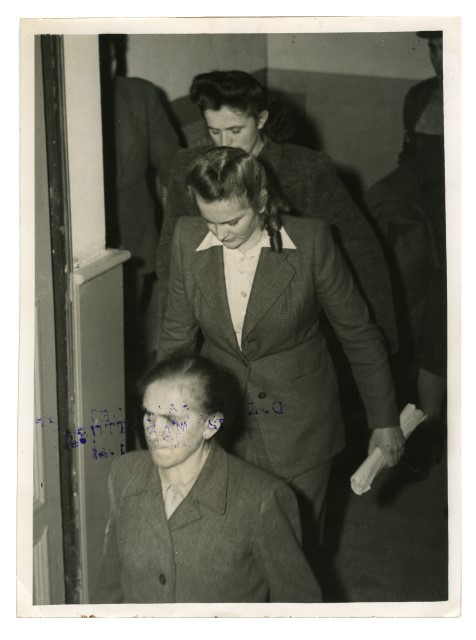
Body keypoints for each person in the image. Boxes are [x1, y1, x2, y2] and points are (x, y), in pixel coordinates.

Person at [157, 146, 405, 569]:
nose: (220, 234)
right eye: (209, 220)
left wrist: (384, 420)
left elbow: (359, 335)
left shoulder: (310, 242)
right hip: (223, 426)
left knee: (295, 558)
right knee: (228, 556)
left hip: (301, 427)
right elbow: (176, 339)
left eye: (232, 221)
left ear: (261, 201)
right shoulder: (186, 237)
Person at [155, 70, 398, 354]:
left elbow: (361, 253)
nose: (224, 143)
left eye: (235, 131)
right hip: (219, 328)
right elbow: (170, 258)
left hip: (293, 328)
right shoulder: (189, 167)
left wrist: (381, 341)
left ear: (261, 120)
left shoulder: (307, 170)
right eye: (214, 131)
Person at [92, 354, 322, 604]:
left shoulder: (261, 499)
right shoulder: (125, 473)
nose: (155, 432)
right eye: (149, 415)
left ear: (211, 425)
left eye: (173, 420)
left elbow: (299, 603)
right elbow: (109, 581)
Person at [364, 32, 446, 444]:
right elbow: (408, 164)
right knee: (425, 319)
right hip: (426, 221)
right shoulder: (419, 98)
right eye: (434, 47)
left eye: (451, 47)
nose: (441, 58)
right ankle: (428, 433)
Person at [99, 34, 180, 370]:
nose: (104, 67)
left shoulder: (141, 95)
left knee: (130, 348)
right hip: (80, 252)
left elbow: (174, 168)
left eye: (109, 58)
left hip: (136, 242)